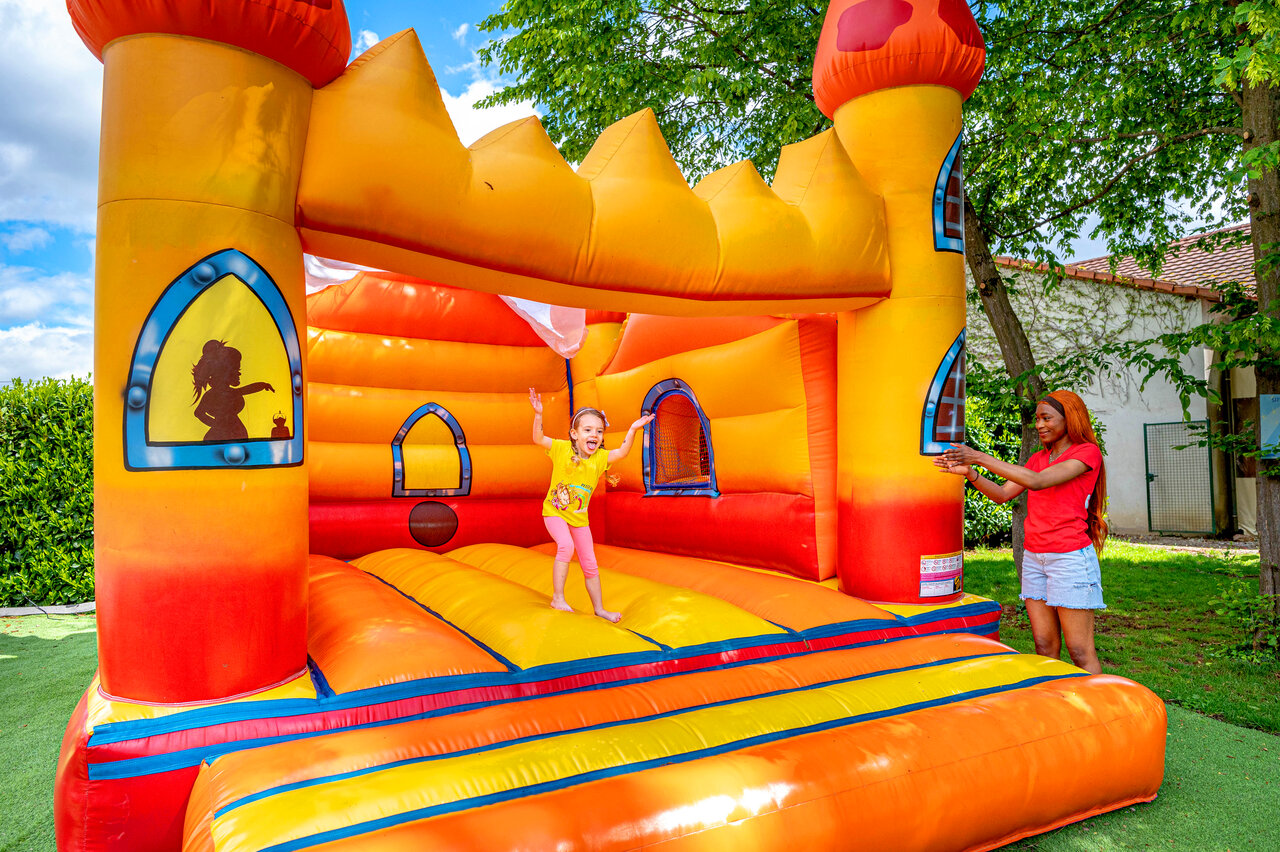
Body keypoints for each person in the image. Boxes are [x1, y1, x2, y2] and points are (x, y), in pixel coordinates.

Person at [935, 389, 1108, 674]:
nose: (1039, 425)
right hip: (1035, 557)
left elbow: (1037, 481)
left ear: (1070, 419)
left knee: (1079, 650)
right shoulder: (1038, 457)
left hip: (1070, 558)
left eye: (1046, 418)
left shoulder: (1086, 453)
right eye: (1037, 419)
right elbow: (1003, 494)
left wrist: (979, 456)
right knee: (1043, 644)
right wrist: (971, 473)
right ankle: (1056, 702)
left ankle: (1097, 710)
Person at [530, 388, 654, 622]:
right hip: (554, 512)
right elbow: (538, 439)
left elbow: (622, 452)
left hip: (579, 519)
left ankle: (599, 609)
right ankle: (558, 597)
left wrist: (633, 429)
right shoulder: (561, 449)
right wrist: (538, 415)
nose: (594, 435)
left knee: (590, 563)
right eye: (587, 430)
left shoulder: (600, 459)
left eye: (598, 431)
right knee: (565, 546)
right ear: (574, 434)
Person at [191, 340, 274, 441]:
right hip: (221, 437)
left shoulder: (230, 392)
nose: (239, 374)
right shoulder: (212, 395)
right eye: (235, 370)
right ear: (223, 373)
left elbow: (247, 389)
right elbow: (198, 412)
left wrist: (263, 385)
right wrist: (217, 425)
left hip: (235, 435)